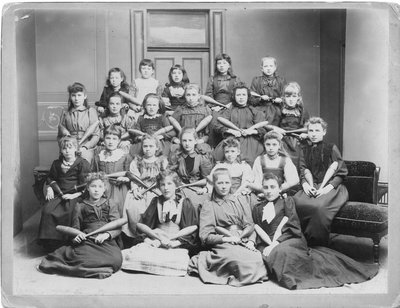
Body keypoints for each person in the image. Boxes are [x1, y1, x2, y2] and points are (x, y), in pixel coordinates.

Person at [252, 173, 378, 290]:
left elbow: (292, 225)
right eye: (266, 187)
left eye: (272, 187)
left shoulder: (287, 201)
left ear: (279, 189)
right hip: (268, 242)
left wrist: (275, 243)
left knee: (282, 252)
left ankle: (295, 277)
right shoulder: (257, 208)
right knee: (264, 254)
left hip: (290, 237)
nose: (269, 191)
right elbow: (257, 230)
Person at [188, 168, 268, 287]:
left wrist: (251, 241)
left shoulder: (240, 200)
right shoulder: (209, 205)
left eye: (226, 183)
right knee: (237, 260)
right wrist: (227, 239)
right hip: (224, 243)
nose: (224, 186)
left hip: (243, 240)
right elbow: (205, 236)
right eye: (220, 183)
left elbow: (250, 225)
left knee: (257, 259)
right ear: (214, 184)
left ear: (231, 183)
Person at [38, 172, 123, 279]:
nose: (96, 190)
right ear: (87, 188)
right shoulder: (80, 205)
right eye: (93, 186)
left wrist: (106, 235)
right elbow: (75, 228)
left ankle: (92, 269)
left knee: (116, 260)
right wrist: (76, 237)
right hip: (88, 238)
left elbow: (117, 227)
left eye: (100, 186)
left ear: (104, 189)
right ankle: (95, 270)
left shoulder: (111, 203)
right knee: (80, 258)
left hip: (106, 240)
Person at [121, 170, 200, 276]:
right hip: (157, 239)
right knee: (133, 255)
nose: (166, 188)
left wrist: (175, 242)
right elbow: (143, 225)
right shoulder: (156, 201)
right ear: (158, 186)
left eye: (169, 184)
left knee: (179, 261)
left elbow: (191, 230)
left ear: (176, 185)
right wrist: (150, 241)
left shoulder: (185, 203)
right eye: (162, 184)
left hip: (175, 242)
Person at [293, 117, 348, 246]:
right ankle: (299, 241)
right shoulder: (304, 149)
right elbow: (303, 170)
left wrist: (325, 189)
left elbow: (341, 173)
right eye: (310, 130)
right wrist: (306, 185)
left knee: (318, 207)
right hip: (312, 186)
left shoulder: (331, 148)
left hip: (332, 188)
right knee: (295, 202)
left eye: (317, 130)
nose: (313, 134)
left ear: (324, 132)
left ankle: (317, 244)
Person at [38, 136, 90, 251]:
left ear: (76, 148)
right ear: (61, 150)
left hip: (77, 194)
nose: (67, 151)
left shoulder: (82, 163)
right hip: (59, 193)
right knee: (48, 210)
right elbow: (51, 178)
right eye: (64, 148)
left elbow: (85, 185)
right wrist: (50, 188)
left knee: (70, 210)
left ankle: (67, 242)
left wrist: (74, 195)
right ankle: (51, 243)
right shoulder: (56, 163)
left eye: (70, 148)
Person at [121, 134, 169, 248]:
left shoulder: (162, 161)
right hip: (141, 189)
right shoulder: (137, 161)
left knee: (157, 209)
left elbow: (165, 177)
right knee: (134, 208)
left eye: (151, 146)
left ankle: (156, 237)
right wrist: (135, 189)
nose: (148, 149)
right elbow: (134, 178)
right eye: (145, 146)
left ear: (157, 147)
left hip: (157, 190)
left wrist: (162, 191)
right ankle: (141, 237)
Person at [213, 84, 266, 166]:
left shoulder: (254, 111)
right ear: (234, 96)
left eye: (244, 95)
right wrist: (231, 131)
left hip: (250, 142)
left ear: (248, 96)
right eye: (238, 95)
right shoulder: (229, 111)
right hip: (233, 140)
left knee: (251, 160)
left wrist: (251, 131)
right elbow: (218, 126)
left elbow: (262, 128)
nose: (241, 97)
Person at [91, 125, 131, 217]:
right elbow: (93, 174)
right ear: (103, 139)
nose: (110, 141)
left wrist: (125, 179)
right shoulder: (98, 157)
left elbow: (130, 174)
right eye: (108, 138)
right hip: (102, 189)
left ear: (119, 140)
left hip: (119, 189)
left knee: (117, 206)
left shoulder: (125, 157)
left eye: (114, 139)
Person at [168, 127, 213, 207]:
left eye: (190, 140)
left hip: (197, 190)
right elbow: (170, 174)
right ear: (181, 142)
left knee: (193, 204)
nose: (187, 144)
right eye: (184, 141)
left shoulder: (202, 157)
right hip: (180, 189)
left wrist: (192, 186)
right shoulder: (177, 156)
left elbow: (208, 179)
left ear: (195, 141)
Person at [205, 53, 242, 147]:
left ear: (229, 65)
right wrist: (214, 106)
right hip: (215, 107)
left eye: (224, 63)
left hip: (231, 106)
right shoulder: (212, 79)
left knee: (232, 124)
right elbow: (208, 94)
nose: (221, 66)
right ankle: (215, 150)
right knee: (214, 124)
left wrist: (231, 104)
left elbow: (239, 94)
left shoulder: (235, 79)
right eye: (219, 63)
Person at [58, 82, 100, 163]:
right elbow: (59, 136)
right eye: (73, 95)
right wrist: (66, 146)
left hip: (86, 147)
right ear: (70, 97)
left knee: (84, 163)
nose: (76, 98)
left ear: (85, 96)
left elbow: (96, 135)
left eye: (79, 95)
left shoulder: (91, 111)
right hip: (69, 146)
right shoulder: (65, 113)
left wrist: (85, 147)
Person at [278, 82, 310, 171]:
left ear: (298, 98)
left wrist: (305, 134)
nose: (291, 99)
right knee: (284, 162)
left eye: (294, 96)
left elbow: (307, 127)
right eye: (288, 97)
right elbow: (274, 126)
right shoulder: (280, 110)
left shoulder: (302, 111)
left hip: (298, 140)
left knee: (299, 161)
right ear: (284, 98)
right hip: (283, 140)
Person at [171, 83, 213, 151]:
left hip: (199, 140)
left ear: (199, 96)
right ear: (185, 96)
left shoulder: (205, 110)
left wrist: (202, 140)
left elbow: (208, 133)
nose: (191, 98)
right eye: (188, 95)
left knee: (203, 148)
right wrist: (175, 139)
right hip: (183, 141)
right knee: (175, 149)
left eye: (194, 95)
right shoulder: (180, 110)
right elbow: (173, 129)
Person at [250, 56, 286, 126]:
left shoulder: (281, 80)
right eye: (266, 66)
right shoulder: (256, 80)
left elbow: (286, 96)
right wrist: (260, 98)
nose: (268, 68)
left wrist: (281, 99)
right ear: (262, 68)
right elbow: (251, 98)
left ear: (275, 68)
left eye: (271, 66)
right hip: (261, 110)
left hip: (277, 109)